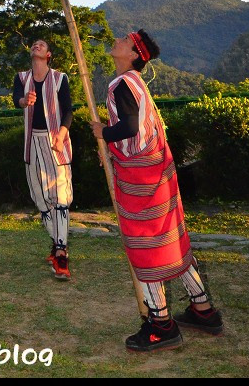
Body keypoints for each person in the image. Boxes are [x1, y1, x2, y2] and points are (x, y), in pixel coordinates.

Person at [91, 29, 224, 352]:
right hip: (157, 171)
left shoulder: (123, 84)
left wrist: (104, 133)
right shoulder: (137, 85)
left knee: (146, 245)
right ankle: (203, 310)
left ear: (134, 54)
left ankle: (161, 325)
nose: (117, 42)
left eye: (124, 40)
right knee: (171, 241)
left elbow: (132, 128)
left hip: (143, 179)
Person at [12, 37, 73, 279]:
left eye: (42, 45)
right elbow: (17, 100)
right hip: (32, 143)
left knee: (60, 196)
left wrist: (62, 134)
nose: (36, 46)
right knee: (40, 198)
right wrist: (24, 101)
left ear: (48, 54)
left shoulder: (60, 78)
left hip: (56, 142)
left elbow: (68, 110)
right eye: (34, 44)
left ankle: (61, 253)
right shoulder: (22, 78)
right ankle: (57, 243)